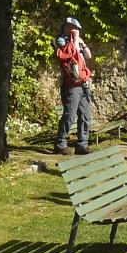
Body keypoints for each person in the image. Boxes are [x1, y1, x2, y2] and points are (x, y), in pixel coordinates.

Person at [53, 17, 95, 154]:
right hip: (71, 84)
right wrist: (75, 39)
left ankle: (82, 144)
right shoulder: (61, 41)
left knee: (85, 114)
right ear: (66, 27)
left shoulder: (77, 42)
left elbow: (88, 56)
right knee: (70, 115)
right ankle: (60, 144)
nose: (74, 30)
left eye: (76, 28)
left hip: (82, 82)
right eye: (71, 27)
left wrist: (83, 44)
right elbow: (71, 54)